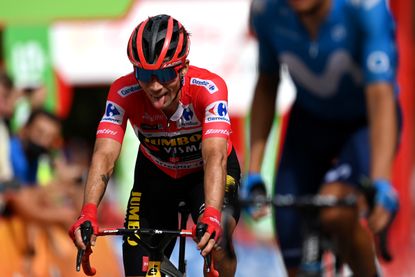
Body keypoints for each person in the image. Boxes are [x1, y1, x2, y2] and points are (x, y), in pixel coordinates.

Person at [68, 14, 241, 277]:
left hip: (204, 174)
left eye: (165, 73)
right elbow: (104, 155)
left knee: (218, 244)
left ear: (183, 67)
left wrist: (213, 214)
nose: (155, 85)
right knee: (140, 271)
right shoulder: (122, 92)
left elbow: (214, 156)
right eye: (145, 74)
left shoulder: (209, 88)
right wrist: (89, 211)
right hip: (155, 175)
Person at [244, 0, 400, 276]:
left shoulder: (365, 8)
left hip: (362, 123)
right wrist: (253, 172)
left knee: (335, 210)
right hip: (310, 123)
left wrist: (381, 181)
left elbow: (380, 94)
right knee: (291, 233)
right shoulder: (265, 10)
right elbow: (266, 82)